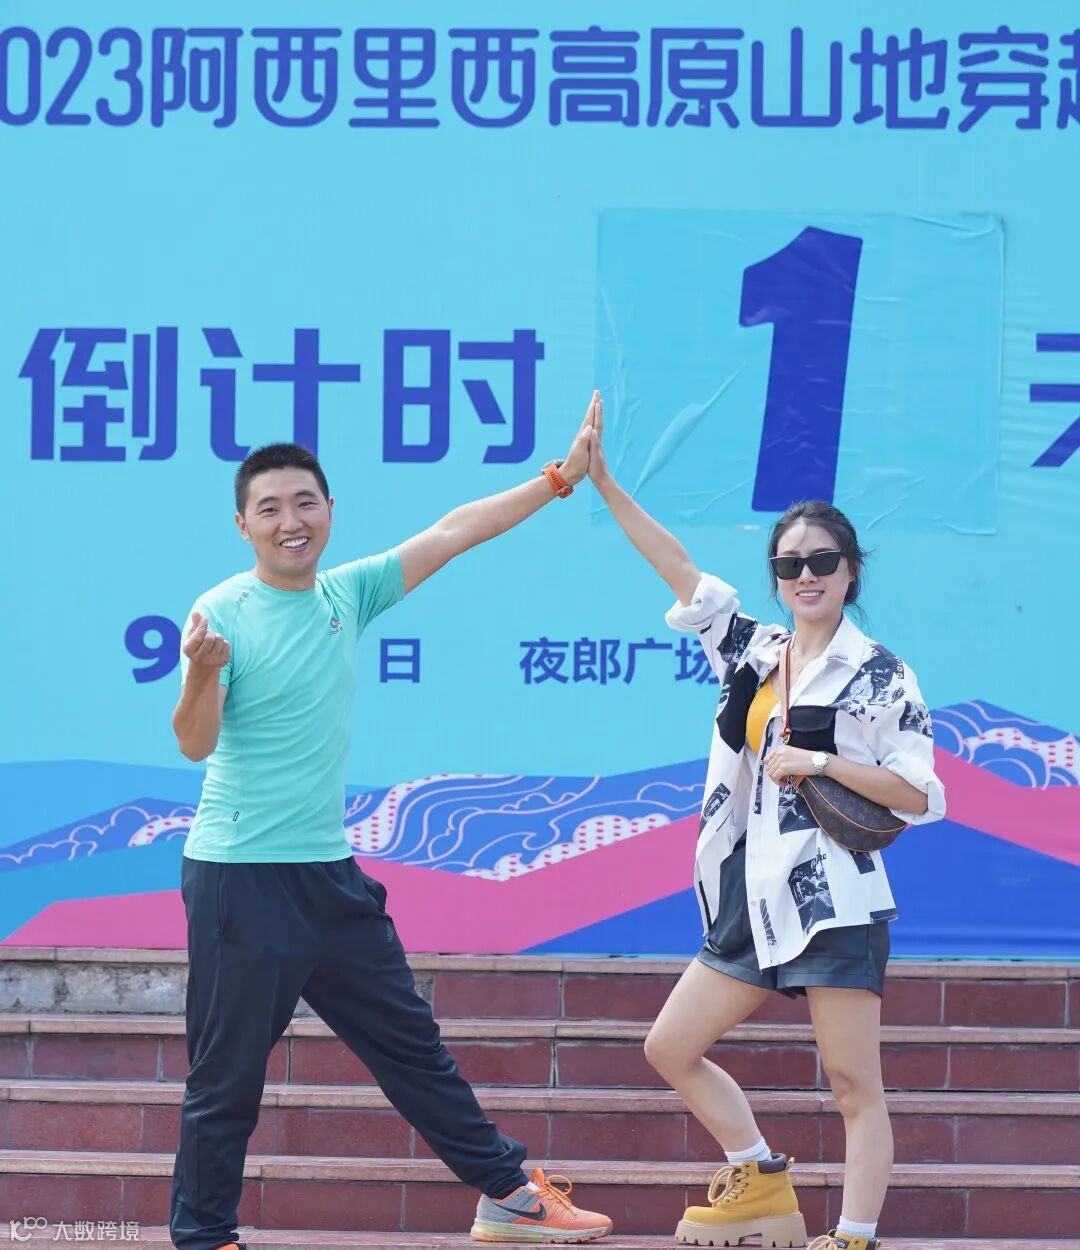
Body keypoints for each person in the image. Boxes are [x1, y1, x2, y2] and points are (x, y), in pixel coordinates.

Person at [169, 406, 613, 1249]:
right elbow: (194, 743)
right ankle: (204, 1235)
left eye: (305, 503)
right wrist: (198, 673)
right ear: (243, 525)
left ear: (330, 510)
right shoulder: (222, 612)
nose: (291, 521)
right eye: (270, 508)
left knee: (412, 1046)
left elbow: (453, 532)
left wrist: (559, 479)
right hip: (241, 876)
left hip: (328, 877)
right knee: (226, 1078)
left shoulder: (347, 592)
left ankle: (507, 1196)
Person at [583, 393, 945, 1250]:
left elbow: (920, 794)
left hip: (834, 900)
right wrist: (602, 482)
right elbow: (679, 571)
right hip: (753, 890)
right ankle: (758, 1177)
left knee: (853, 1086)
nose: (805, 575)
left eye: (822, 560)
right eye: (789, 564)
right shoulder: (754, 651)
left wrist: (820, 763)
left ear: (851, 572)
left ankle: (852, 1236)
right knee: (671, 1046)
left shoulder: (880, 674)